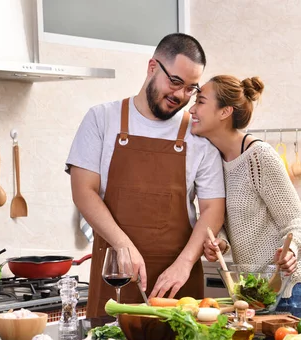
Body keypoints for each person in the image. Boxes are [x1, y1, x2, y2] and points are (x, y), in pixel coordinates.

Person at [66, 33, 226, 317]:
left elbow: (213, 207)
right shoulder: (101, 119)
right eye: (175, 82)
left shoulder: (199, 134)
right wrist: (123, 247)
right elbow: (83, 191)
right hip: (114, 277)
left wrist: (185, 263)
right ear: (152, 67)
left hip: (177, 288)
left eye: (191, 88)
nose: (180, 95)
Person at [191, 75, 301, 316]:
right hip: (254, 286)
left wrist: (290, 251)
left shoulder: (259, 157)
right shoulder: (212, 159)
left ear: (224, 112)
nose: (192, 109)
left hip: (288, 285)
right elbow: (228, 218)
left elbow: (297, 220)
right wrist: (220, 241)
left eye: (200, 102)